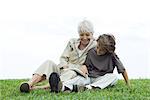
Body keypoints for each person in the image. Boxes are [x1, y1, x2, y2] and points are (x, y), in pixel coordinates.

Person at [20, 20, 97, 93]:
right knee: (48, 62)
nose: (84, 38)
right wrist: (64, 66)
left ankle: (43, 87)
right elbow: (63, 57)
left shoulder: (95, 45)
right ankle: (29, 84)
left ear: (92, 34)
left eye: (87, 35)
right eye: (81, 35)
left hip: (77, 72)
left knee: (71, 73)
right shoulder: (72, 42)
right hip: (64, 68)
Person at [60, 34, 130, 92]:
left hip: (102, 78)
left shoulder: (112, 55)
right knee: (78, 79)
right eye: (97, 47)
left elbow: (122, 70)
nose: (98, 50)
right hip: (89, 77)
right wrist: (84, 67)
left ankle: (89, 88)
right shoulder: (91, 52)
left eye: (101, 50)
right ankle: (63, 86)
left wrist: (128, 84)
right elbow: (85, 66)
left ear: (107, 51)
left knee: (114, 77)